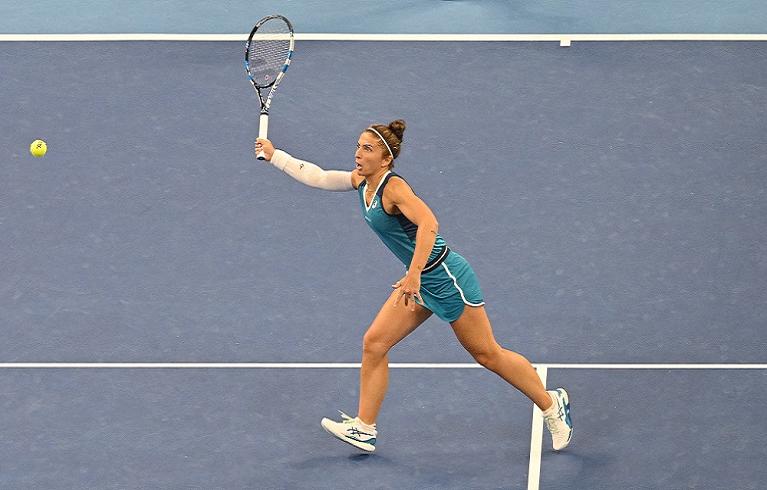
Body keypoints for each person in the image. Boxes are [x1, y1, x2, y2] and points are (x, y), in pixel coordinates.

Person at [255, 120, 572, 453]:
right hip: (417, 280)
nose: (358, 154)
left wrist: (416, 273)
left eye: (368, 149)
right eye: (358, 146)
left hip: (444, 277)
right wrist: (276, 156)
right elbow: (317, 176)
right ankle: (365, 427)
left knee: (487, 354)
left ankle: (551, 404)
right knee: (374, 343)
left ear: (386, 159)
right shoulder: (361, 181)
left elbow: (429, 224)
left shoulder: (394, 189)